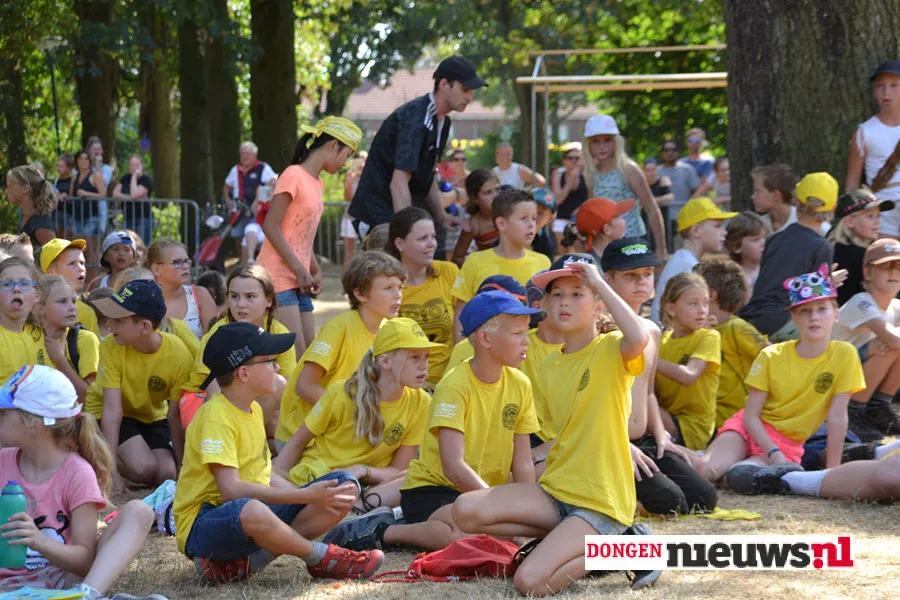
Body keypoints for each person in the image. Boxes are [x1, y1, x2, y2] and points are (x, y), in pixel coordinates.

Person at [449, 260, 660, 595]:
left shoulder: (612, 346)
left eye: (577, 294)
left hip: (599, 498)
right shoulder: (548, 363)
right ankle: (571, 540)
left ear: (598, 305)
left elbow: (640, 337)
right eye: (557, 294)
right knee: (465, 509)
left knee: (529, 582)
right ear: (545, 304)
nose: (565, 302)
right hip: (556, 489)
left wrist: (599, 282)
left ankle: (628, 548)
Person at [323, 291, 541, 553]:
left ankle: (404, 520)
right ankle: (382, 530)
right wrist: (498, 507)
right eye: (517, 333)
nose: (527, 340)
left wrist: (526, 510)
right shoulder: (455, 385)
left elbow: (523, 462)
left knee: (506, 534)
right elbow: (453, 467)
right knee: (464, 536)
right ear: (485, 339)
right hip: (433, 489)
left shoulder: (520, 384)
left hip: (479, 494)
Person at [173, 322, 385, 584]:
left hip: (251, 513)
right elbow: (231, 490)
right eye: (270, 361)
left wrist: (311, 497)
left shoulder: (254, 409)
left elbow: (263, 474)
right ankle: (321, 556)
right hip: (204, 525)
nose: (277, 367)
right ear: (244, 373)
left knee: (344, 487)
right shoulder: (216, 415)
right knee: (250, 509)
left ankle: (245, 563)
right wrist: (304, 496)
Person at [0, 365, 165, 600]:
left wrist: (39, 541)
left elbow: (84, 560)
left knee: (139, 511)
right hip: (5, 586)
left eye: (3, 414)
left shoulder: (77, 473)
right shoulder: (3, 461)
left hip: (63, 585)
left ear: (33, 425)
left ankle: (86, 595)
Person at [696, 265, 863, 486]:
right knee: (705, 470)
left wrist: (831, 472)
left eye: (822, 309)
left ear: (836, 315)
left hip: (787, 442)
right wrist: (773, 453)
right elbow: (751, 416)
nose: (814, 317)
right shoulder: (771, 355)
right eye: (805, 311)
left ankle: (738, 467)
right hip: (747, 430)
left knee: (742, 474)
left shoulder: (845, 355)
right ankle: (674, 454)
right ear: (794, 317)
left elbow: (837, 417)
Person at [273, 317, 440, 515]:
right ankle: (348, 516)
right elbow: (296, 444)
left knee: (419, 476)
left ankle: (352, 515)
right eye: (414, 357)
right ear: (386, 361)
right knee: (351, 487)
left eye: (426, 357)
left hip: (365, 486)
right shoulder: (341, 393)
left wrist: (362, 470)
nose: (424, 366)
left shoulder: (421, 402)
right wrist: (282, 490)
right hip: (321, 483)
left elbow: (398, 470)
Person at [602, 240, 717, 516]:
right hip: (609, 442)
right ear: (608, 280)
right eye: (630, 275)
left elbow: (648, 392)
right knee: (671, 504)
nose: (641, 281)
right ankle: (607, 502)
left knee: (704, 498)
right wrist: (621, 443)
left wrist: (662, 437)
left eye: (647, 274)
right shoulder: (599, 330)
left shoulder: (652, 331)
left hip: (644, 439)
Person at [348, 56, 485, 255]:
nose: (470, 96)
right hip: (378, 216)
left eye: (472, 91)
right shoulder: (416, 117)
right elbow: (398, 182)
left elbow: (428, 174)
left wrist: (442, 216)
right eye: (465, 89)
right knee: (386, 273)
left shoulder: (443, 122)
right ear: (444, 84)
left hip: (396, 216)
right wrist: (408, 232)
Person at [276, 252, 405, 452]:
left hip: (343, 432)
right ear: (360, 294)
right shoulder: (338, 329)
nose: (398, 295)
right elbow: (305, 386)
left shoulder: (389, 331)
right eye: (388, 288)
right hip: (302, 438)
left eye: (400, 287)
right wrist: (355, 413)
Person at [257, 117, 362, 356]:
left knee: (309, 354)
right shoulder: (293, 174)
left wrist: (314, 269)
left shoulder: (318, 182)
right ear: (333, 145)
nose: (345, 163)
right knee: (295, 356)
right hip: (278, 277)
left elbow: (301, 235)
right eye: (346, 155)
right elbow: (270, 226)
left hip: (300, 278)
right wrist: (299, 268)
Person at [84, 280, 193, 492]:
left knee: (166, 474)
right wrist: (112, 473)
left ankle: (102, 450)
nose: (109, 324)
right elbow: (112, 411)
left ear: (144, 326)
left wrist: (182, 469)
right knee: (143, 469)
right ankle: (94, 453)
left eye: (117, 320)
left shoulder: (178, 354)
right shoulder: (110, 345)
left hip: (151, 416)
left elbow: (174, 415)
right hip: (110, 412)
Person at [181, 264, 297, 434]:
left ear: (269, 300)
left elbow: (287, 391)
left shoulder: (279, 332)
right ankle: (244, 440)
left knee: (282, 424)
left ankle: (251, 440)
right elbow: (214, 394)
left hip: (248, 400)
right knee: (275, 399)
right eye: (234, 296)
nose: (241, 304)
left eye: (250, 297)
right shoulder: (221, 333)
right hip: (203, 400)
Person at [740, 173, 841, 340]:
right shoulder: (822, 247)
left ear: (798, 202)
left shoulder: (774, 239)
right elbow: (815, 297)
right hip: (784, 320)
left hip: (753, 318)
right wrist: (829, 285)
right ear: (834, 207)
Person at [451, 189, 550, 343]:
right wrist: (461, 350)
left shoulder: (543, 262)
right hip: (486, 349)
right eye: (523, 218)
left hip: (531, 351)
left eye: (534, 217)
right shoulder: (475, 262)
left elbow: (547, 316)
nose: (532, 224)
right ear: (501, 223)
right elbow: (461, 315)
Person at [832, 238, 900, 442]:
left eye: (898, 266)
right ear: (867, 273)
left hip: (856, 377)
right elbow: (893, 341)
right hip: (831, 380)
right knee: (887, 344)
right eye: (885, 266)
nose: (893, 272)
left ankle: (879, 406)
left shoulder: (896, 306)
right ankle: (853, 410)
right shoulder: (861, 301)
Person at [386, 207, 459, 387]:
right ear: (400, 244)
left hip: (449, 380)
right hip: (403, 384)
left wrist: (454, 378)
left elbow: (463, 332)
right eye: (422, 238)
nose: (432, 244)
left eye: (433, 237)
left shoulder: (449, 272)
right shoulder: (387, 284)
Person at [693, 260, 767, 429]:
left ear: (710, 295)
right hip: (705, 418)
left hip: (734, 422)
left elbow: (775, 357)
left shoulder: (736, 328)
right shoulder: (697, 330)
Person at [581, 117, 666, 257]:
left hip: (632, 242)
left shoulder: (628, 169)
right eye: (595, 141)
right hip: (604, 246)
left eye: (607, 140)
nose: (602, 146)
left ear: (616, 142)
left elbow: (651, 209)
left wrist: (661, 249)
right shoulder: (591, 173)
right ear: (588, 145)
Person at [655, 273, 721, 451]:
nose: (703, 310)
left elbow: (689, 375)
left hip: (693, 427)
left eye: (706, 303)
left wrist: (647, 358)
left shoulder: (709, 336)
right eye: (694, 304)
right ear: (671, 309)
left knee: (642, 407)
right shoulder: (661, 342)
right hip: (665, 418)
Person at [651, 197, 736, 323]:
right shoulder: (687, 265)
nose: (724, 232)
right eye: (717, 226)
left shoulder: (684, 258)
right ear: (696, 230)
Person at [845, 60, 900, 239]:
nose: (886, 92)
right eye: (880, 86)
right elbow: (852, 183)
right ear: (874, 92)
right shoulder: (864, 133)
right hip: (883, 209)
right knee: (886, 254)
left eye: (894, 85)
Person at [36, 275, 100, 403]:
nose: (72, 307)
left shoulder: (86, 340)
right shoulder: (27, 338)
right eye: (62, 301)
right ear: (41, 308)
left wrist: (60, 360)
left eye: (73, 301)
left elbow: (90, 399)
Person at [828, 188, 893, 305]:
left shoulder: (831, 244)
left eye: (878, 216)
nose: (877, 222)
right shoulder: (857, 255)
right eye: (870, 216)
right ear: (849, 221)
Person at [146, 239, 217, 338]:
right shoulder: (145, 302)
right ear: (156, 269)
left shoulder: (200, 295)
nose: (185, 266)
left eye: (186, 261)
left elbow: (216, 339)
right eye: (177, 262)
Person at [223, 141, 277, 257]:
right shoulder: (235, 169)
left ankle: (255, 261)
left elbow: (275, 181)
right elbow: (226, 186)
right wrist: (228, 200)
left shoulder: (263, 168)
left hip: (255, 212)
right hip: (238, 211)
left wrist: (262, 194)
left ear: (255, 155)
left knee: (251, 236)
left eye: (247, 153)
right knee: (237, 237)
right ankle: (241, 262)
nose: (244, 156)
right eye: (242, 153)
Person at [40, 237, 101, 337]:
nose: (81, 268)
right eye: (72, 264)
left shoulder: (35, 306)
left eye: (82, 263)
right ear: (51, 274)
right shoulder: (85, 312)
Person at [0, 257, 47, 381]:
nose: (16, 289)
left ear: (37, 295)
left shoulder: (37, 333)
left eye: (24, 284)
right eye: (7, 284)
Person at [562, 197, 632, 267]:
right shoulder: (590, 267)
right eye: (619, 216)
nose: (624, 221)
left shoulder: (616, 257)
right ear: (607, 230)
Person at [451, 169, 500, 264]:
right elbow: (457, 258)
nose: (495, 195)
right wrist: (479, 268)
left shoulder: (508, 213)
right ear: (474, 198)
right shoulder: (474, 224)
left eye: (497, 189)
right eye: (488, 192)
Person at [7, 165, 57, 248]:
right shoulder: (29, 218)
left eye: (9, 185)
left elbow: (55, 253)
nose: (6, 191)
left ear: (25, 188)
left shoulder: (40, 224)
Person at [550, 143, 589, 251]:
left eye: (577, 158)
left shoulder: (587, 175)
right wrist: (569, 180)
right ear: (564, 160)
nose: (574, 161)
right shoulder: (558, 174)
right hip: (562, 218)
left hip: (580, 219)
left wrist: (581, 208)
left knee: (579, 252)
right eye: (570, 158)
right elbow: (558, 199)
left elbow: (592, 197)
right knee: (562, 252)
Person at [112, 155, 153, 246]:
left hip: (143, 218)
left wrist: (134, 177)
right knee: (128, 246)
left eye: (137, 165)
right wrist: (131, 198)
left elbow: (134, 194)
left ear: (142, 166)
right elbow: (115, 194)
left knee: (142, 246)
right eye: (132, 165)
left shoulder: (146, 180)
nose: (134, 168)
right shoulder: (125, 178)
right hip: (128, 217)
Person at [751, 163, 799, 235]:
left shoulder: (801, 221)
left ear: (776, 196)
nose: (752, 197)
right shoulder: (758, 225)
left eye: (758, 191)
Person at [657, 141, 699, 221]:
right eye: (666, 150)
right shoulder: (656, 171)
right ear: (662, 153)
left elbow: (696, 193)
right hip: (662, 218)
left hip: (685, 217)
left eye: (674, 149)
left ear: (678, 152)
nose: (670, 152)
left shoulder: (688, 169)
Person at [724, 212, 769, 288]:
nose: (764, 243)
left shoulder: (772, 270)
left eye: (765, 238)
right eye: (755, 240)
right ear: (736, 247)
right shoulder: (731, 279)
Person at [341, 151, 368, 271]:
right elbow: (347, 197)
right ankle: (346, 281)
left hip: (366, 218)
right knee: (349, 255)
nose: (362, 161)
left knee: (367, 253)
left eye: (365, 159)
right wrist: (351, 180)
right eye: (360, 158)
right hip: (350, 217)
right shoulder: (350, 176)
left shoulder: (370, 175)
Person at [530, 188, 557, 261]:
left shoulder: (546, 248)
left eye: (540, 213)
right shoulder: (508, 235)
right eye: (531, 209)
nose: (534, 216)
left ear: (549, 219)